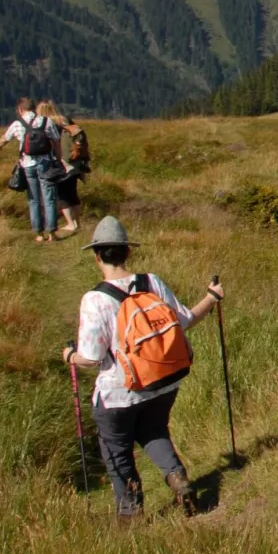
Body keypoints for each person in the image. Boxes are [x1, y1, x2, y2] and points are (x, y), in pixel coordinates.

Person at [60, 216, 225, 520]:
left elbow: (93, 357)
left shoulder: (95, 299)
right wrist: (211, 298)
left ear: (97, 256)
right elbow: (184, 321)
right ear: (127, 252)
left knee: (117, 451)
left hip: (118, 394)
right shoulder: (152, 282)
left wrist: (70, 356)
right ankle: (178, 479)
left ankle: (131, 513)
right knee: (153, 431)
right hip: (163, 383)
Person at [0, 96, 62, 242]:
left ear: (20, 109)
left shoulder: (17, 123)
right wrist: (58, 160)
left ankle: (39, 234)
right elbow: (56, 141)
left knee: (33, 199)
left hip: (27, 165)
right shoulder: (46, 121)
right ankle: (52, 233)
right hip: (46, 163)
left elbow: (5, 138)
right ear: (34, 108)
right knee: (49, 198)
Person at [39, 101, 87, 236]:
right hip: (73, 162)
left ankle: (70, 223)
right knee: (73, 193)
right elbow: (79, 133)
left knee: (61, 195)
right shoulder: (64, 120)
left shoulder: (44, 123)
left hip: (59, 162)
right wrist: (77, 147)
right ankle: (78, 222)